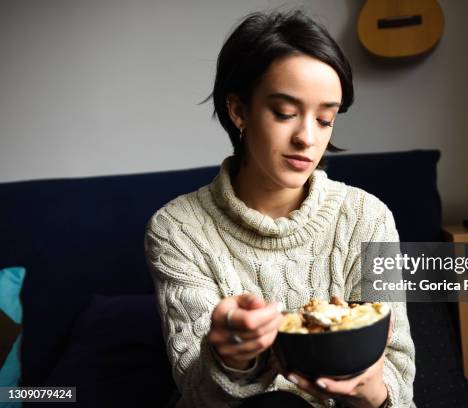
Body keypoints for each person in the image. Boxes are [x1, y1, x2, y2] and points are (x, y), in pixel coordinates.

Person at [145, 9, 416, 408]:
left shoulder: (367, 218)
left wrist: (370, 388)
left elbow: (400, 379)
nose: (307, 137)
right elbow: (195, 390)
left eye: (325, 119)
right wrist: (229, 358)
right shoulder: (177, 229)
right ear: (239, 111)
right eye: (285, 113)